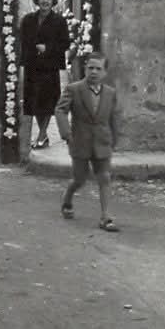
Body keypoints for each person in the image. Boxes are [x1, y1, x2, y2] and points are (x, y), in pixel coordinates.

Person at [55, 51, 120, 232]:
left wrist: (114, 139)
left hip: (102, 142)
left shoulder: (110, 93)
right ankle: (67, 198)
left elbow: (113, 117)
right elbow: (60, 111)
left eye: (98, 69)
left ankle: (105, 217)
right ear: (85, 69)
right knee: (79, 179)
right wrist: (67, 134)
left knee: (105, 177)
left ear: (105, 72)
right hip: (80, 141)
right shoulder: (74, 89)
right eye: (90, 68)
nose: (93, 72)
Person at [19, 0, 70, 149]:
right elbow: (23, 41)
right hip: (32, 66)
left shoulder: (59, 21)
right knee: (35, 101)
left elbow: (65, 44)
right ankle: (43, 134)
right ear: (37, 0)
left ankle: (41, 135)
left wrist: (47, 48)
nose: (45, 1)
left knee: (47, 101)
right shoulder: (28, 20)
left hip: (50, 67)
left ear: (53, 1)